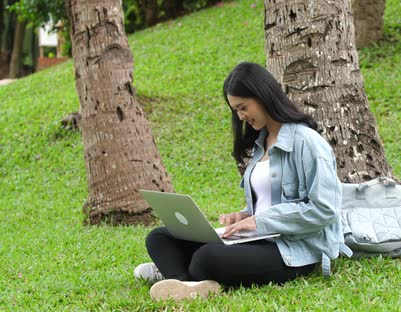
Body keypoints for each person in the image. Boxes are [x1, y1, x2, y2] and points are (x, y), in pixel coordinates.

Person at [134, 62, 349, 301]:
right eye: (235, 110)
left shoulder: (307, 142)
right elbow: (267, 201)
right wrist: (245, 216)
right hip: (258, 239)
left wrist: (259, 221)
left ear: (263, 96)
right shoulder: (261, 143)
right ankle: (185, 283)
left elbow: (325, 209)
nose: (241, 116)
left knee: (206, 258)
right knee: (160, 237)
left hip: (294, 248)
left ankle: (175, 274)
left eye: (243, 107)